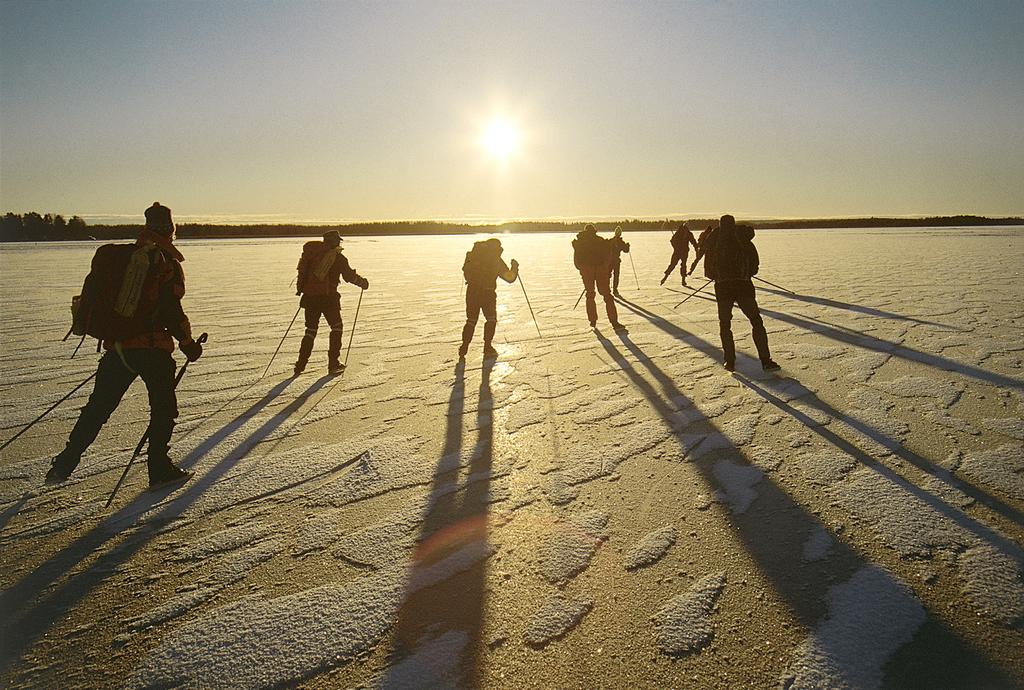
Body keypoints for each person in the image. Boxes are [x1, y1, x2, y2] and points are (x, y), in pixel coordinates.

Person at [46, 202, 204, 489]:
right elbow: (172, 310)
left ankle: (62, 466)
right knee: (163, 408)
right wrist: (188, 343)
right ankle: (159, 467)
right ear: (170, 229)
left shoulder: (123, 257)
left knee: (98, 409)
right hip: (153, 348)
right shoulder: (164, 262)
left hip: (118, 348)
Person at [701, 214, 780, 372]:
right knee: (756, 321)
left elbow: (708, 272)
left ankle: (729, 361)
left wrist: (719, 275)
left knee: (725, 325)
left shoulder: (714, 242)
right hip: (744, 287)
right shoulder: (744, 240)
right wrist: (745, 273)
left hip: (723, 289)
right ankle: (765, 360)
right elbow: (755, 265)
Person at [294, 230, 369, 376]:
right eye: (338, 241)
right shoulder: (337, 258)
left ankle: (300, 365)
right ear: (334, 241)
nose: (340, 243)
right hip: (328, 299)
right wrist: (363, 283)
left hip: (309, 299)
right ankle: (333, 364)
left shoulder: (311, 255)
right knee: (336, 328)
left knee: (310, 331)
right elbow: (349, 276)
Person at [459, 238, 519, 359]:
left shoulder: (474, 255)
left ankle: (464, 346)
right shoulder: (495, 259)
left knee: (471, 320)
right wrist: (515, 267)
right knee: (491, 320)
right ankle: (487, 346)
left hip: (472, 292)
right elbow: (509, 278)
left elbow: (466, 270)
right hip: (488, 293)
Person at [573, 224, 627, 332]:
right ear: (594, 231)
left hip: (587, 270)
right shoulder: (599, 240)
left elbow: (576, 260)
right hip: (599, 269)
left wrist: (582, 270)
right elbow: (607, 256)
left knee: (590, 294)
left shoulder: (579, 242)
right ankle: (614, 322)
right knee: (607, 295)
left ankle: (592, 321)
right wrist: (605, 269)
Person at [660, 222, 698, 287]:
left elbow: (693, 242)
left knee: (683, 265)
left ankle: (683, 280)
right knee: (672, 264)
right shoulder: (679, 232)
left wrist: (696, 248)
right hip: (677, 252)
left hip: (684, 252)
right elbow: (672, 241)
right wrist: (676, 247)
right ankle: (665, 277)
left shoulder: (689, 234)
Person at [609, 226, 630, 296]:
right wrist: (627, 246)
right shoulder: (621, 242)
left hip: (610, 260)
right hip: (616, 261)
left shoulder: (611, 240)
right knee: (616, 275)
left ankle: (607, 288)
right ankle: (615, 290)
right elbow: (626, 250)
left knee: (608, 275)